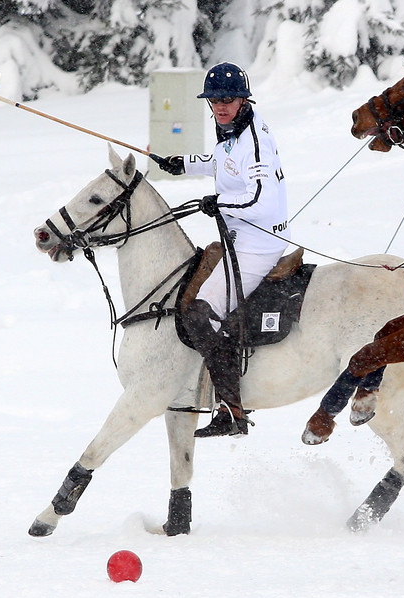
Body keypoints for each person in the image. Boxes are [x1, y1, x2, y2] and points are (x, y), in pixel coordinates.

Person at [152, 62, 290, 437]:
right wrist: (184, 164)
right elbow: (222, 162)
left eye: (228, 99)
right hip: (240, 235)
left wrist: (220, 203)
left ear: (244, 98)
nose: (220, 106)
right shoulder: (233, 129)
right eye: (213, 100)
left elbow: (260, 197)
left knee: (199, 315)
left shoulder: (255, 140)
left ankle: (233, 412)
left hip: (258, 243)